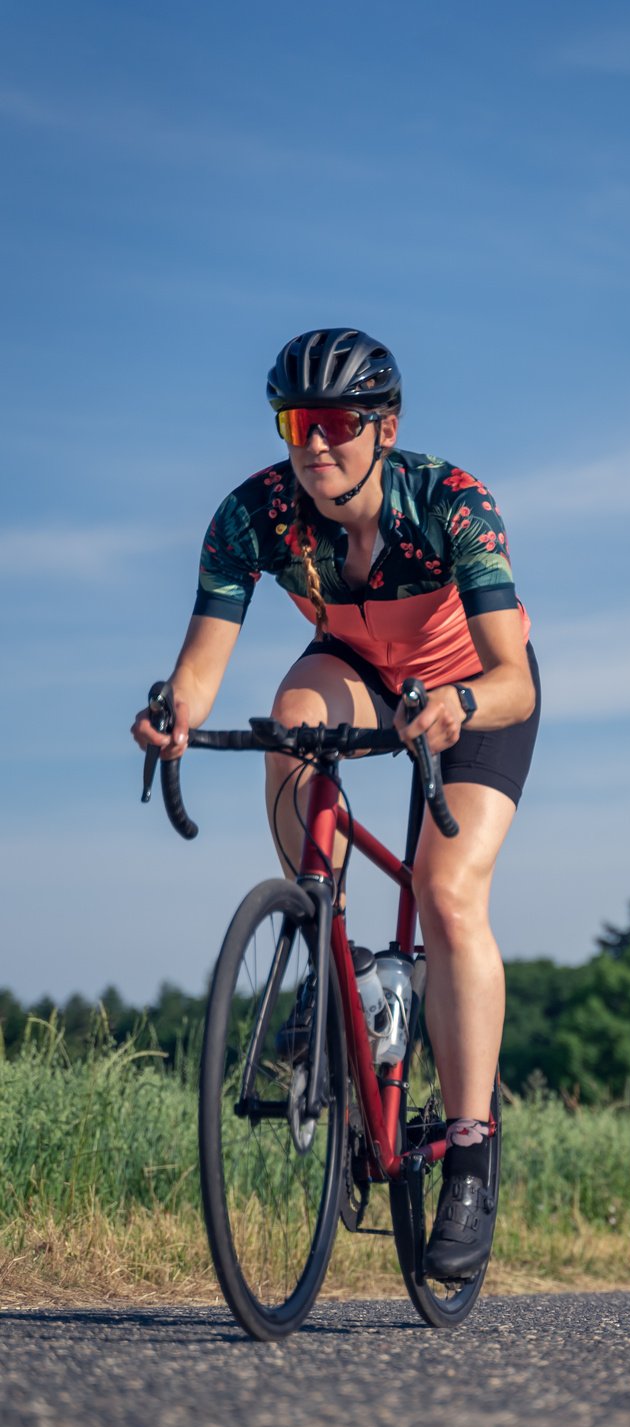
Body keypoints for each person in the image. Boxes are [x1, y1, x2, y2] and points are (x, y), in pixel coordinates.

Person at [132, 327, 540, 1278]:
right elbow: (198, 669)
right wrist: (172, 715)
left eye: (334, 424)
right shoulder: (254, 515)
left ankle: (471, 1155)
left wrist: (462, 703)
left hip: (471, 684)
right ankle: (332, 942)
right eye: (294, 423)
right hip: (356, 667)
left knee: (446, 895)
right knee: (289, 721)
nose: (313, 445)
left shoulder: (450, 501)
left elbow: (513, 673)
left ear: (382, 427)